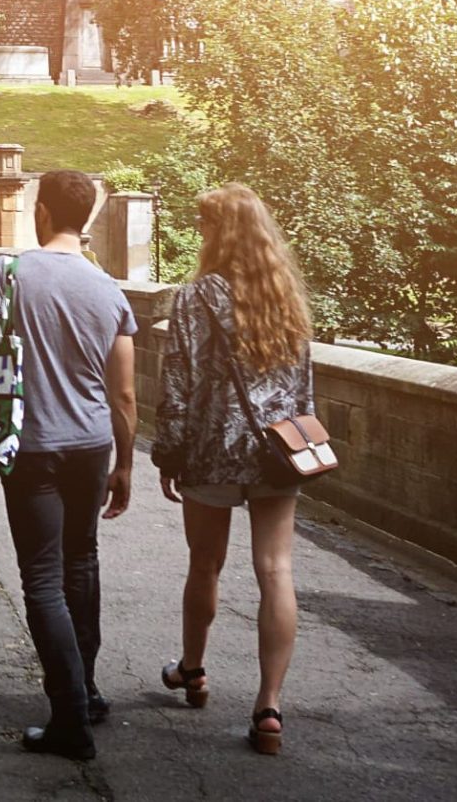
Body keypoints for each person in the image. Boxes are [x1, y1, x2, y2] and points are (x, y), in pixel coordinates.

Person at [0, 170, 137, 761]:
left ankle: (69, 716)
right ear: (89, 217)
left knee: (42, 579)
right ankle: (88, 690)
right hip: (93, 443)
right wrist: (125, 465)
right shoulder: (109, 289)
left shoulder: (10, 271)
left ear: (41, 212)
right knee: (83, 562)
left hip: (33, 444)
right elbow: (124, 395)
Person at [151, 183, 315, 757]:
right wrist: (301, 444)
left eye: (203, 225)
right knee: (276, 570)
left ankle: (193, 670)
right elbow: (303, 387)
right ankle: (268, 706)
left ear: (216, 231)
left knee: (206, 563)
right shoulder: (285, 295)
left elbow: (178, 384)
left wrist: (167, 453)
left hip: (213, 451)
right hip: (276, 453)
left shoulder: (197, 297)